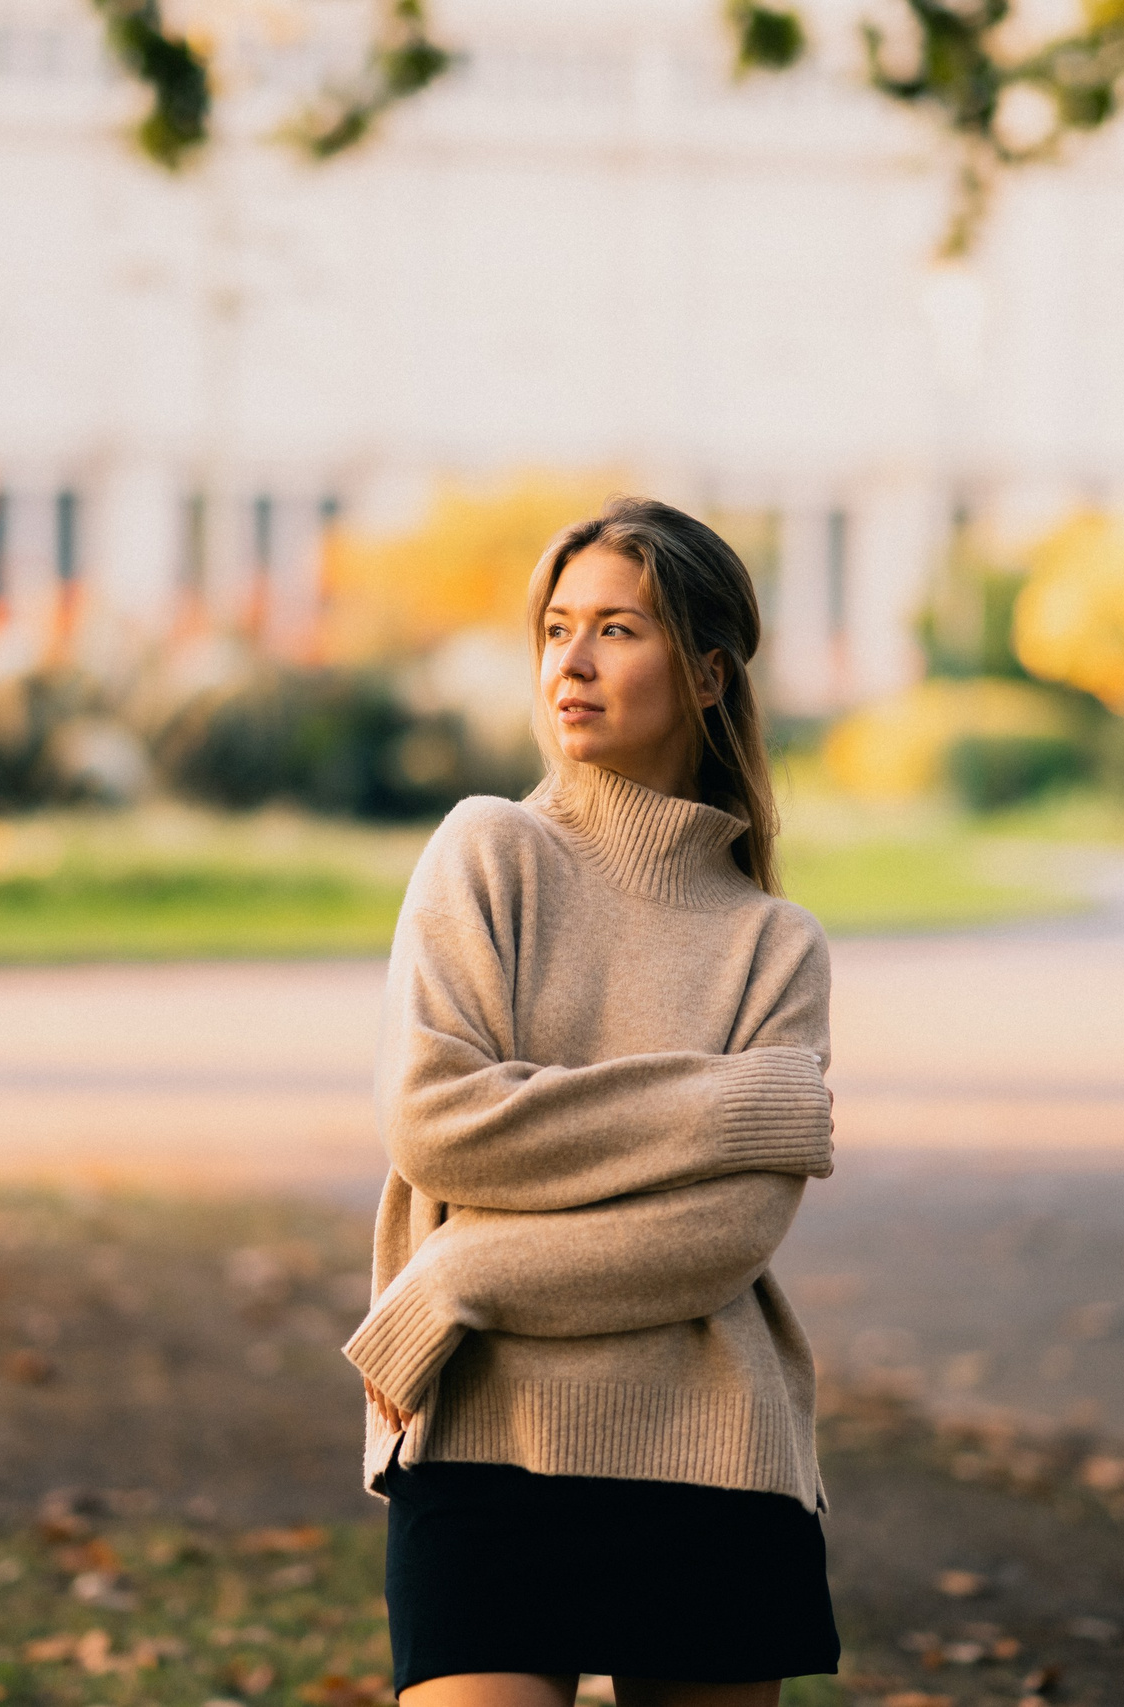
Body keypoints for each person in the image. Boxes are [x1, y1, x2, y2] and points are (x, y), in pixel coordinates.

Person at [341, 497, 840, 1707]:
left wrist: (460, 1277)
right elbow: (440, 1120)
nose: (570, 662)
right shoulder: (487, 852)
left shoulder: (775, 947)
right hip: (485, 1441)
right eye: (556, 629)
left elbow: (722, 1235)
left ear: (709, 673)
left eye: (617, 629)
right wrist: (726, 1112)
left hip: (714, 1455)